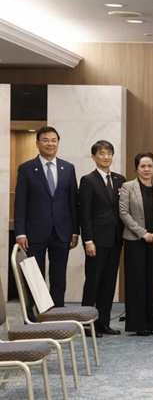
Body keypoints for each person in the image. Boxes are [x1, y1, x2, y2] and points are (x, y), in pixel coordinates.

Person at [14, 126, 79, 307]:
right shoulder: (26, 169)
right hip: (34, 232)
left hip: (62, 231)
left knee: (59, 276)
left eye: (53, 140)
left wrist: (75, 232)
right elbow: (20, 203)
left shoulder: (68, 168)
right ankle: (35, 315)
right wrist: (20, 233)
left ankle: (57, 311)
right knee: (35, 276)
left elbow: (72, 202)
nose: (50, 144)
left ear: (58, 143)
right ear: (37, 143)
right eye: (45, 140)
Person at [119, 151, 153, 336]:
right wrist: (143, 233)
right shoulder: (127, 186)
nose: (146, 169)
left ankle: (151, 323)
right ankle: (137, 324)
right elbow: (124, 213)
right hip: (135, 241)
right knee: (136, 282)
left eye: (150, 166)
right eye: (142, 166)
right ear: (136, 168)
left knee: (151, 281)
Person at [78, 140, 124, 336]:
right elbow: (84, 214)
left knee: (108, 283)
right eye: (102, 153)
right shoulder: (88, 180)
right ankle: (87, 325)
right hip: (96, 241)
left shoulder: (120, 179)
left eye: (109, 153)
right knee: (93, 283)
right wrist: (88, 240)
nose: (106, 157)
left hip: (115, 240)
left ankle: (103, 323)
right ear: (94, 157)